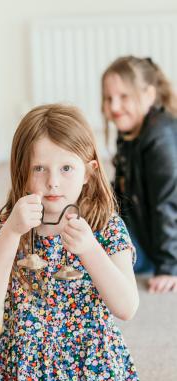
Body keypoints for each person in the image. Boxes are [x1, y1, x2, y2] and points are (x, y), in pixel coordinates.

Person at [0, 104, 145, 381]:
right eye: (39, 168)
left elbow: (126, 307)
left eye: (66, 168)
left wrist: (90, 250)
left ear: (90, 173)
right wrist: (10, 233)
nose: (52, 181)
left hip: (92, 367)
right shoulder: (4, 228)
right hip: (24, 373)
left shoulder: (105, 226)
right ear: (21, 172)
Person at [102, 55, 177, 294]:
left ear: (148, 95)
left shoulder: (159, 137)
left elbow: (168, 203)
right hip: (141, 226)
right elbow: (123, 189)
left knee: (92, 252)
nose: (114, 107)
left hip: (159, 245)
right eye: (108, 98)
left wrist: (168, 266)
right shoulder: (131, 131)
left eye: (124, 97)